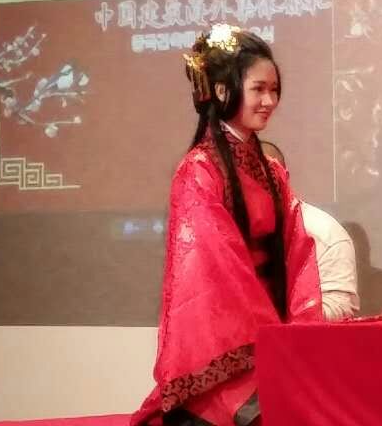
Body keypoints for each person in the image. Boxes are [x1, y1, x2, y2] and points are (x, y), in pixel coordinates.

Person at [132, 25, 323, 426]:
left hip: (272, 333)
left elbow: (297, 251)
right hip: (225, 347)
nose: (269, 101)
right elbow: (218, 273)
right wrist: (269, 342)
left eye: (274, 90)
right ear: (222, 91)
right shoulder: (198, 172)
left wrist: (300, 335)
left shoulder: (273, 171)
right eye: (259, 89)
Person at [260, 141, 360, 320]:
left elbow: (339, 307)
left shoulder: (324, 233)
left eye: (262, 177)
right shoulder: (221, 230)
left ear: (284, 177)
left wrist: (269, 316)